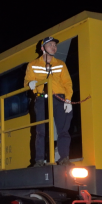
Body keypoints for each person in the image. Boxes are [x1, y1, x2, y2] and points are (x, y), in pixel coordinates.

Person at [24, 36, 74, 167]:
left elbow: (68, 83)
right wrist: (30, 84)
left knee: (64, 130)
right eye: (50, 45)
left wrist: (68, 100)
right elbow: (26, 82)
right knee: (41, 130)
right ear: (42, 48)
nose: (54, 47)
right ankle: (39, 160)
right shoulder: (33, 65)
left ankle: (64, 158)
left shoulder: (61, 64)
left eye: (55, 45)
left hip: (60, 98)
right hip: (42, 99)